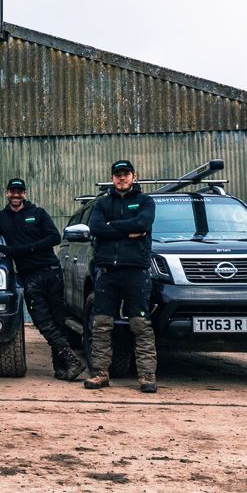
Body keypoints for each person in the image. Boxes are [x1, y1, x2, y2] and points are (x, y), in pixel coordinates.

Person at [0, 177, 86, 381]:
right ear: (7, 193)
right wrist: (7, 251)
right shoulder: (1, 218)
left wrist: (28, 248)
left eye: (19, 191)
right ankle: (71, 360)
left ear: (25, 194)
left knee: (58, 319)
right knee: (42, 320)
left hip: (51, 271)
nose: (16, 195)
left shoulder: (37, 214)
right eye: (12, 191)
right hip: (29, 277)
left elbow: (54, 237)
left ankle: (62, 367)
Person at [85, 160, 158, 392]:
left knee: (140, 324)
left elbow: (143, 222)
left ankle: (147, 376)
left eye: (126, 174)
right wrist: (129, 230)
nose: (122, 178)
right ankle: (100, 374)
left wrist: (112, 227)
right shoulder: (103, 203)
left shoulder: (145, 201)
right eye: (118, 175)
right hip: (107, 271)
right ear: (112, 178)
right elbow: (95, 228)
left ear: (134, 177)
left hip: (135, 271)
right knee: (101, 324)